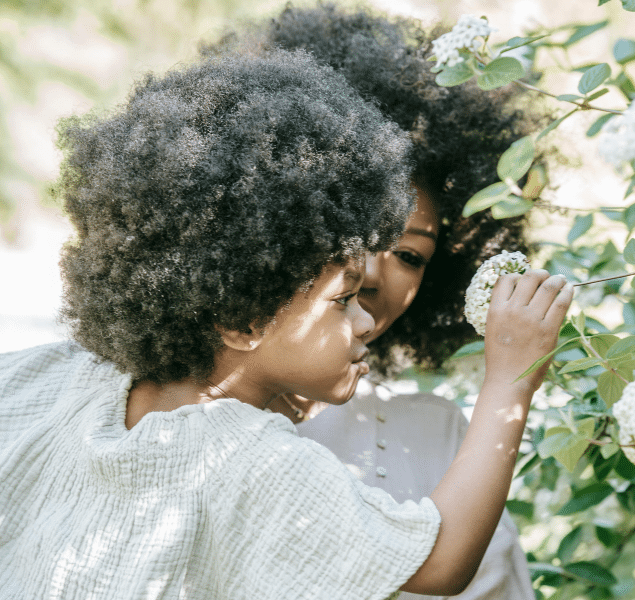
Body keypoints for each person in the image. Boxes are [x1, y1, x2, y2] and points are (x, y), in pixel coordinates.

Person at [0, 47, 573, 600]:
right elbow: (443, 561)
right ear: (243, 320)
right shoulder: (258, 460)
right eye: (343, 298)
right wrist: (510, 381)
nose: (364, 316)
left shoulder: (62, 382)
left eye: (408, 255)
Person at [203, 5, 548, 599]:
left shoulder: (438, 436)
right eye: (354, 233)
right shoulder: (134, 410)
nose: (367, 273)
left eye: (410, 254)